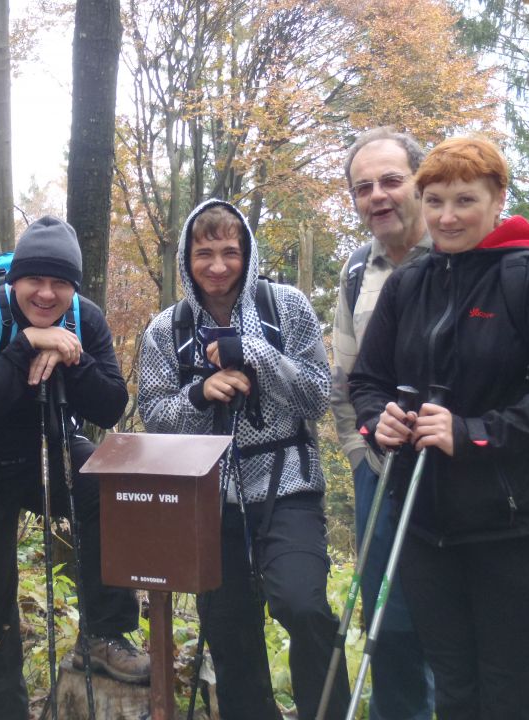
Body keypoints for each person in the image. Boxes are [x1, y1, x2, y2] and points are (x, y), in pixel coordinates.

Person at [349, 136, 529, 719]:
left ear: (498, 198)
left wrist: (473, 432)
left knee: (511, 696)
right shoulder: (411, 281)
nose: (447, 216)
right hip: (427, 527)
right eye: (434, 201)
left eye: (465, 200)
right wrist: (376, 420)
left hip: (515, 530)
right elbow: (367, 381)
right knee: (456, 693)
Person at [0, 216, 148, 719]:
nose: (47, 294)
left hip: (42, 450)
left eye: (61, 283)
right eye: (35, 281)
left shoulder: (84, 319)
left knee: (106, 482)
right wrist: (27, 343)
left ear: (74, 285)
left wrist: (72, 355)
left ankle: (104, 633)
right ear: (15, 279)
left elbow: (111, 405)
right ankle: (5, 709)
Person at [138, 199, 349, 720]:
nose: (216, 265)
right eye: (203, 252)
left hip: (288, 485)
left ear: (247, 253)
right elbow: (153, 413)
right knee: (230, 632)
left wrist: (255, 353)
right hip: (207, 496)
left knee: (304, 606)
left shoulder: (288, 307)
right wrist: (199, 393)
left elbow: (317, 395)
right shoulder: (167, 330)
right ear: (187, 256)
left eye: (229, 252)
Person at [330, 127, 435, 720]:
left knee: (456, 634)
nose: (378, 196)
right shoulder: (356, 270)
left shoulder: (465, 253)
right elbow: (342, 382)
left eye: (392, 180)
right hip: (380, 471)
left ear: (420, 182)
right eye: (363, 187)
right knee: (389, 632)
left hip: (461, 474)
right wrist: (358, 454)